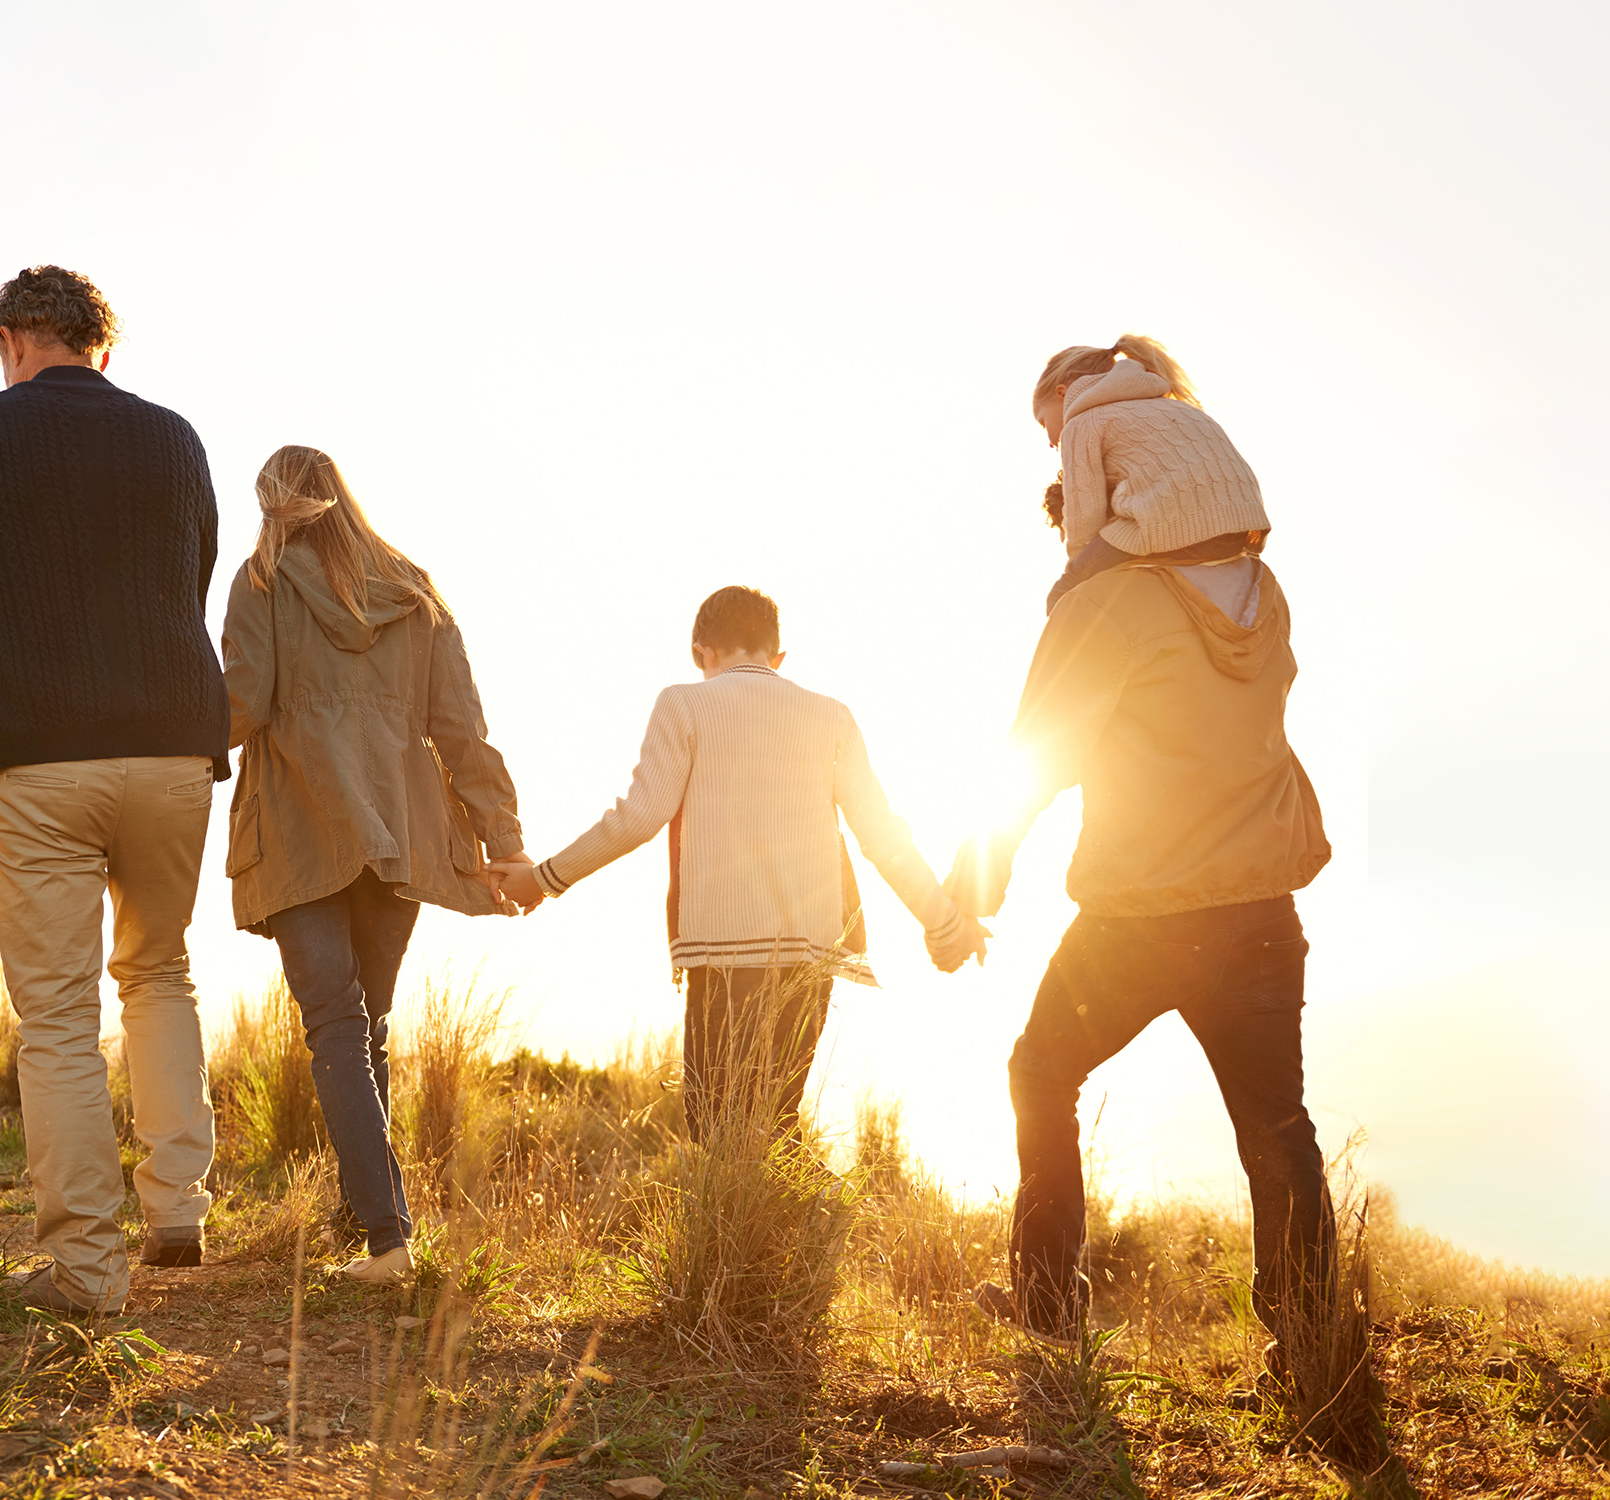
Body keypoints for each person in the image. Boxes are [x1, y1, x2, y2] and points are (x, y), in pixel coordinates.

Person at [948, 336, 1333, 1353]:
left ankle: (1045, 1313)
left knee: (1039, 1073)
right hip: (1258, 910)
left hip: (1142, 915)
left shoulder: (1103, 603)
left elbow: (1032, 756)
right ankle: (1310, 1353)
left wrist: (970, 890)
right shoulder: (1263, 591)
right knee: (1276, 1131)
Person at [0, 267, 226, 1317]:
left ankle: (88, 1270)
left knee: (54, 1013)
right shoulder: (174, 438)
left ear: (7, 338)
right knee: (160, 969)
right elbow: (188, 586)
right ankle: (177, 1204)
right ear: (103, 346)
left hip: (37, 756)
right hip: (175, 746)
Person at [492, 587, 988, 1140]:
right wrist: (946, 924)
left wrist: (542, 879)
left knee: (716, 1129)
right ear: (778, 657)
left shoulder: (684, 704)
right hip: (811, 955)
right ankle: (792, 1228)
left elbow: (639, 818)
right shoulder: (833, 717)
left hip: (723, 955)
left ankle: (750, 1229)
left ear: (702, 652)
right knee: (775, 1125)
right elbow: (883, 837)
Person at [220, 446, 527, 1283]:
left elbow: (239, 708)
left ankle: (389, 1239)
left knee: (336, 1027)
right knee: (365, 1030)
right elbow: (462, 732)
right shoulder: (416, 590)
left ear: (274, 504)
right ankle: (364, 1219)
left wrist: (155, 746)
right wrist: (505, 843)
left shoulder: (262, 583)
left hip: (303, 829)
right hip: (399, 831)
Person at [1034, 334, 1272, 613]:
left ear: (1063, 393)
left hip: (1177, 528)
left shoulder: (1083, 421)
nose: (1050, 441)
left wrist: (1078, 570)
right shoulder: (1174, 406)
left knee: (1063, 597)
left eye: (1042, 422)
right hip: (1246, 530)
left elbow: (1083, 515)